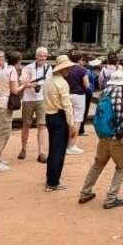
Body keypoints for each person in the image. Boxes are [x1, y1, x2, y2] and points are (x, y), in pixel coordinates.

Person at [78, 69, 123, 209]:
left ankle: (85, 192)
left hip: (103, 134)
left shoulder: (104, 91)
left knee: (98, 163)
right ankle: (111, 198)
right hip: (118, 135)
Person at [43, 54, 78, 191]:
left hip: (49, 115)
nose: (68, 70)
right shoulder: (62, 83)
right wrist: (72, 124)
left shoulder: (48, 81)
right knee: (59, 150)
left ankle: (51, 178)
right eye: (67, 68)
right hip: (59, 116)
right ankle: (53, 182)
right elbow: (67, 105)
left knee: (53, 148)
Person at [0, 51, 22, 173]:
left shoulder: (5, 69)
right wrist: (25, 85)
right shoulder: (12, 71)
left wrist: (2, 91)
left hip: (1, 102)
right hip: (5, 104)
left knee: (5, 132)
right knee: (3, 133)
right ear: (17, 61)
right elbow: (15, 91)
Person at [19, 47, 50, 163]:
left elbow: (49, 82)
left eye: (45, 56)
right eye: (40, 56)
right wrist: (30, 84)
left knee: (42, 125)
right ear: (36, 56)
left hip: (41, 99)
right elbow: (22, 81)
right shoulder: (28, 68)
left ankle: (41, 152)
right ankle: (23, 148)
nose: (42, 58)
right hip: (28, 99)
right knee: (26, 124)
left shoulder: (48, 68)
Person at [64, 50, 89, 156]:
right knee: (77, 120)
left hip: (66, 94)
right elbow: (86, 84)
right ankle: (72, 145)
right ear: (80, 59)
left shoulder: (66, 68)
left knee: (67, 119)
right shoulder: (82, 69)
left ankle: (65, 144)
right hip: (78, 96)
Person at [81, 57, 102, 136]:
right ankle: (81, 129)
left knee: (84, 110)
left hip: (87, 92)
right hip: (86, 92)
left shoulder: (89, 71)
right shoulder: (88, 71)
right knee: (84, 110)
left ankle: (81, 128)